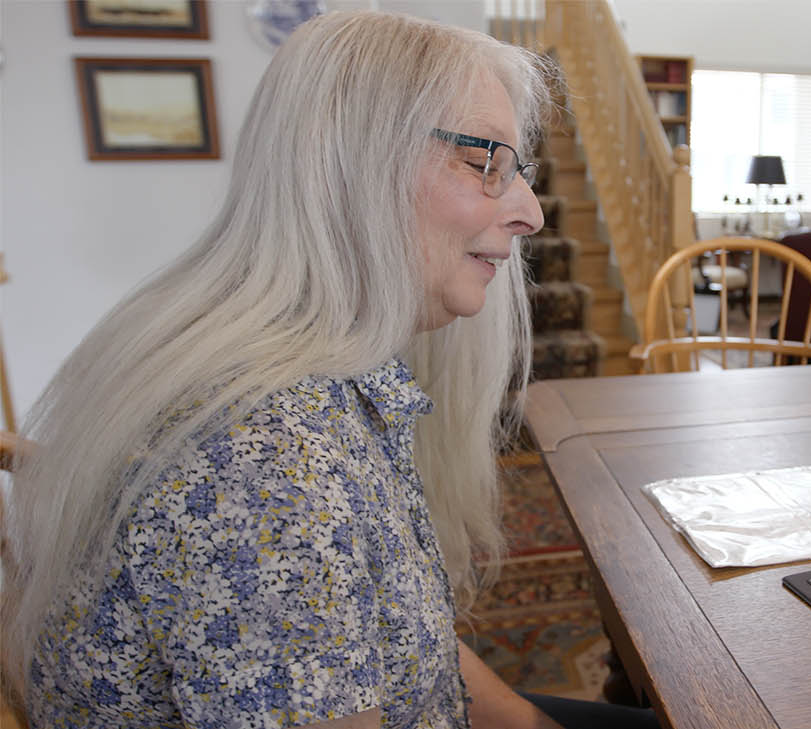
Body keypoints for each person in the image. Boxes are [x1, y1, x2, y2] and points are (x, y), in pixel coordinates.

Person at [0, 12, 658, 729]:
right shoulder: (266, 458)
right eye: (484, 163)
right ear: (354, 165)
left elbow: (398, 640)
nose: (530, 212)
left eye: (517, 170)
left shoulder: (316, 374)